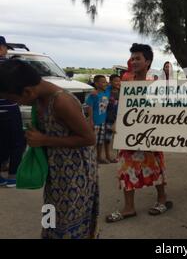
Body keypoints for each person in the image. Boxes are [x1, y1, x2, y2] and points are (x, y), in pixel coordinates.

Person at [0, 60, 98, 239]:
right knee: (50, 214)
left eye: (14, 100)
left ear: (27, 91)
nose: (17, 104)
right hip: (54, 174)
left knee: (69, 221)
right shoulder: (38, 99)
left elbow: (89, 138)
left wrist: (44, 139)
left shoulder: (62, 101)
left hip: (75, 176)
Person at [106, 43, 172, 223]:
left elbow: (162, 110)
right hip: (128, 135)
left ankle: (162, 199)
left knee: (156, 166)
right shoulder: (126, 84)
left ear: (147, 62)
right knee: (126, 169)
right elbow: (121, 108)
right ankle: (129, 208)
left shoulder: (155, 85)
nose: (134, 62)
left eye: (138, 58)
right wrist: (115, 124)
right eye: (132, 58)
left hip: (150, 134)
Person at [0, 36, 25, 188]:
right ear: (3, 48)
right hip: (9, 108)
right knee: (17, 142)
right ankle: (13, 176)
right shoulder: (11, 65)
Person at [85, 75, 111, 164]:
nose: (105, 83)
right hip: (95, 122)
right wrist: (90, 120)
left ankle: (99, 157)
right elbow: (90, 107)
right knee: (93, 142)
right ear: (96, 83)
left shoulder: (107, 92)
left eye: (106, 81)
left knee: (100, 141)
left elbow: (114, 84)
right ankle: (91, 159)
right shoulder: (93, 95)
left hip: (102, 121)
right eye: (103, 82)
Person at [104, 74, 121, 163]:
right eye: (116, 81)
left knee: (119, 137)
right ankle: (108, 156)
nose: (118, 83)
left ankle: (118, 156)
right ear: (110, 82)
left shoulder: (122, 91)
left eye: (119, 81)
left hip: (119, 118)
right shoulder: (106, 91)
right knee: (108, 139)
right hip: (109, 118)